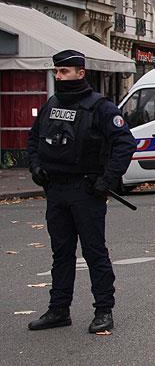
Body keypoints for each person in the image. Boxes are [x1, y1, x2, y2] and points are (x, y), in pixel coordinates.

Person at [25, 50, 137, 334]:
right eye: (56, 72)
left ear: (80, 73)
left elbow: (125, 143)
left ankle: (103, 311)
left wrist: (108, 180)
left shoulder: (100, 107)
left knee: (94, 252)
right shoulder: (51, 105)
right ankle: (59, 309)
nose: (59, 76)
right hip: (57, 190)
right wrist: (36, 167)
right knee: (61, 253)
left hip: (86, 190)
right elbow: (34, 139)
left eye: (64, 72)